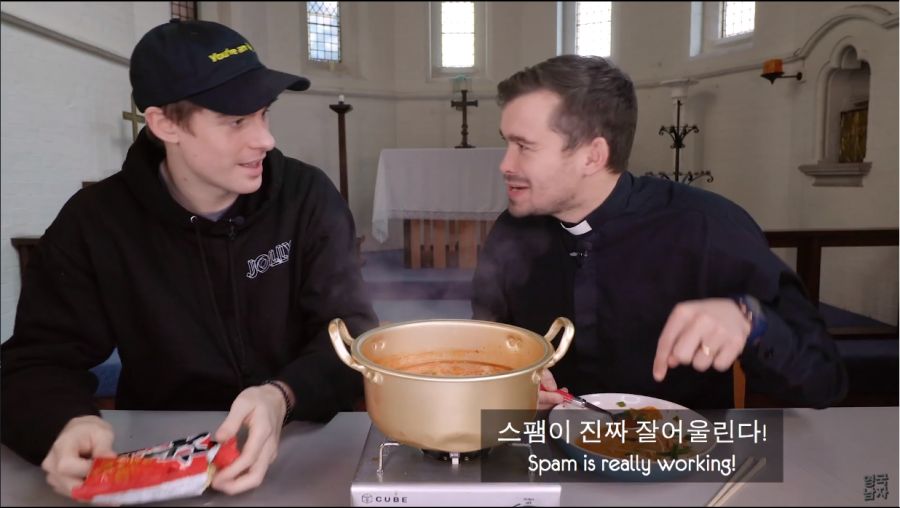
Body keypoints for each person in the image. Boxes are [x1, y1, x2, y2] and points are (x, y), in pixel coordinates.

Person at [1, 19, 377, 498]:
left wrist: (282, 396)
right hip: (159, 451)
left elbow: (351, 334)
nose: (265, 139)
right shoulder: (97, 222)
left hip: (303, 443)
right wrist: (63, 424)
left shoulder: (306, 197)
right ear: (165, 124)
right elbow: (35, 361)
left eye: (263, 114)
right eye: (236, 121)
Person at [472, 54, 847, 411]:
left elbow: (823, 382)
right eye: (507, 142)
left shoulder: (707, 227)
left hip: (678, 448)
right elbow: (490, 340)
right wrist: (511, 378)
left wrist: (752, 321)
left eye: (524, 146)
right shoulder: (512, 230)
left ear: (592, 156)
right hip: (542, 444)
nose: (505, 164)